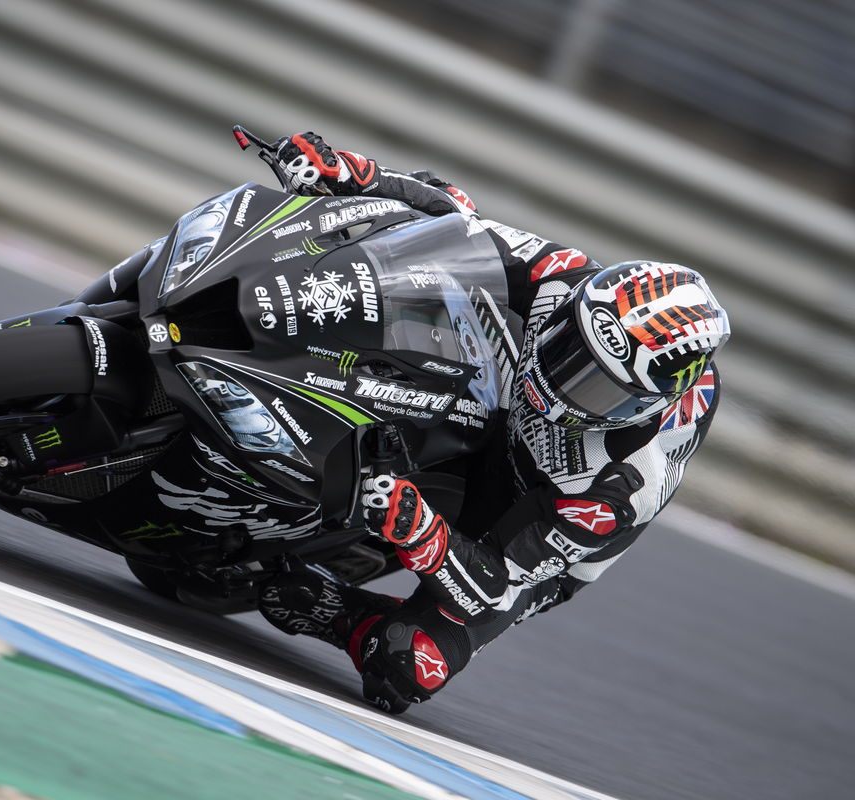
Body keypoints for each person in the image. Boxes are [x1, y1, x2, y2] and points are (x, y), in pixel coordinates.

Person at [255, 132, 731, 714]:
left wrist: (418, 529)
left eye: (595, 385)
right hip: (496, 408)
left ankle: (338, 614)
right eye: (567, 347)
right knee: (429, 296)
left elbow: (496, 583)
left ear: (641, 408)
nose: (558, 380)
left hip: (527, 514)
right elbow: (458, 219)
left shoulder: (620, 488)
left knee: (410, 665)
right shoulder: (571, 280)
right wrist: (353, 174)